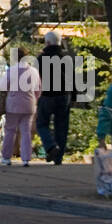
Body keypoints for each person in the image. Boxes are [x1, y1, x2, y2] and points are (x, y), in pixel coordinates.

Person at [0, 47, 42, 166]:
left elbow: (3, 86)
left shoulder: (11, 70)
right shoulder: (33, 71)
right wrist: (34, 100)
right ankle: (26, 158)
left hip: (13, 105)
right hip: (29, 105)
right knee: (26, 131)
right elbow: (38, 90)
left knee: (10, 131)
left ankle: (6, 157)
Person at [36, 31, 73, 164]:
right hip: (63, 96)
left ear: (47, 42)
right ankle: (59, 157)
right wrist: (73, 97)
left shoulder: (41, 58)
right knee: (61, 127)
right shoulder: (65, 58)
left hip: (46, 95)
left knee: (41, 124)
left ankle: (50, 146)